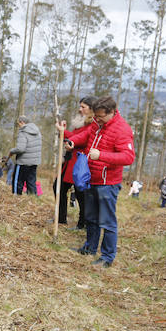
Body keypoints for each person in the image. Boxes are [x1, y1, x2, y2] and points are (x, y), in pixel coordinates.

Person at [57, 96, 134, 268]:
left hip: (108, 183)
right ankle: (89, 247)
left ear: (112, 112)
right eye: (96, 117)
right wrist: (73, 141)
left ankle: (107, 256)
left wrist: (101, 155)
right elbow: (86, 135)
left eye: (100, 117)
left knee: (107, 221)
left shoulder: (122, 130)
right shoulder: (96, 124)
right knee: (91, 217)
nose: (97, 120)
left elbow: (128, 157)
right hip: (91, 178)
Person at [57, 96, 97, 227]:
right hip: (70, 160)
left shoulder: (92, 124)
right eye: (80, 106)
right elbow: (75, 136)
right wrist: (63, 131)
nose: (80, 109)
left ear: (91, 109)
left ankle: (82, 223)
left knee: (81, 193)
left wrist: (65, 133)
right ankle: (61, 218)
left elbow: (82, 139)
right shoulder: (80, 122)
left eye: (83, 107)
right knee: (60, 187)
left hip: (79, 162)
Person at [9, 115, 42, 195]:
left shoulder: (23, 132)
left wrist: (12, 151)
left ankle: (16, 199)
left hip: (23, 162)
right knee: (31, 182)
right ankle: (33, 200)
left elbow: (21, 149)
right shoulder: (37, 131)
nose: (18, 126)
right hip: (34, 162)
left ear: (22, 122)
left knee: (18, 181)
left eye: (18, 124)